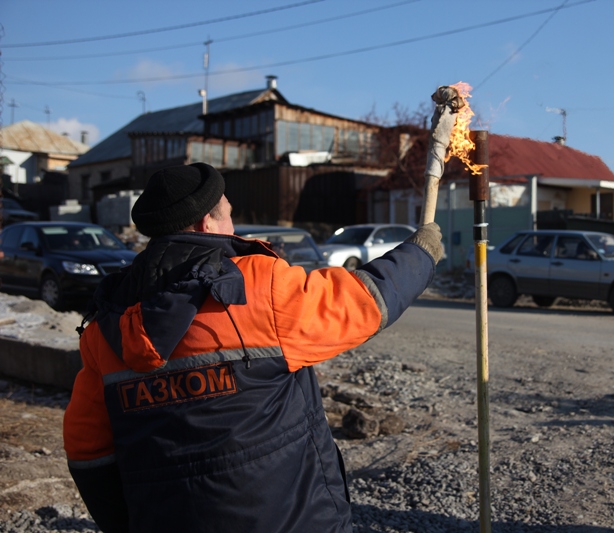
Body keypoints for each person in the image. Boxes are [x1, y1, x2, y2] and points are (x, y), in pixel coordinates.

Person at [63, 162, 443, 533]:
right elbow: (363, 302)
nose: (233, 226)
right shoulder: (258, 289)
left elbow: (87, 450)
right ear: (205, 223)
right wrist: (420, 253)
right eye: (228, 215)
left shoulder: (106, 323)